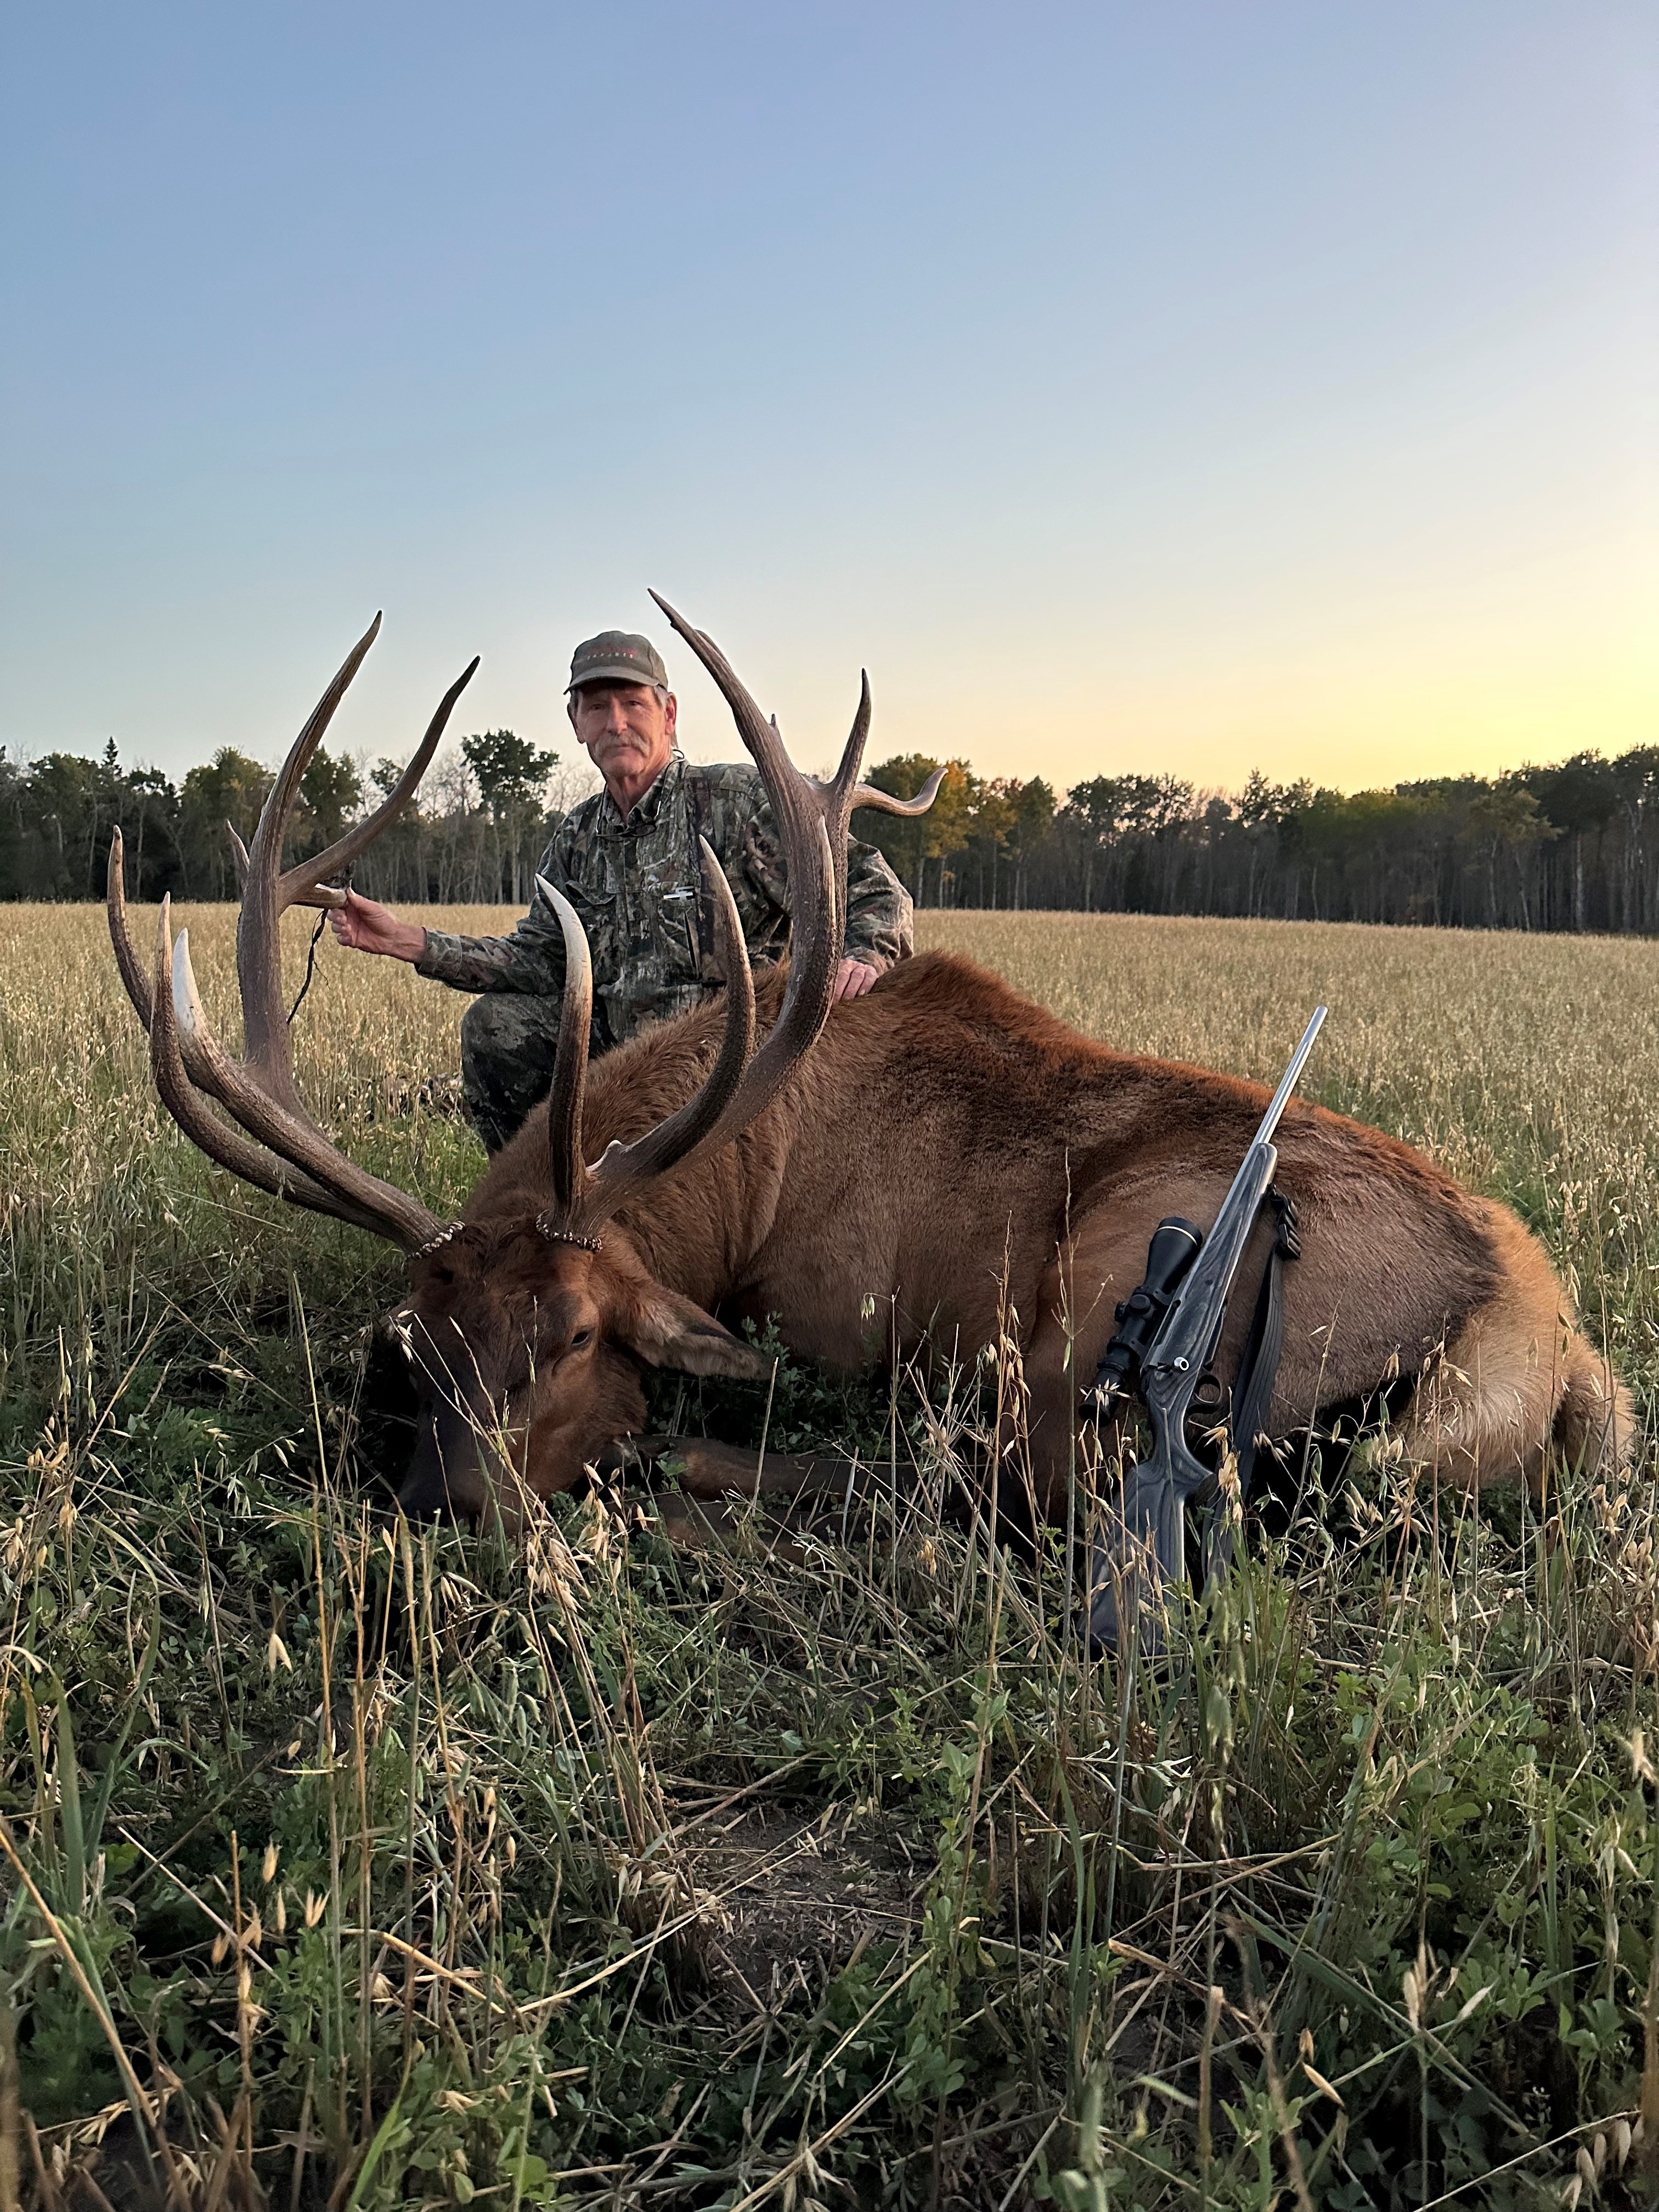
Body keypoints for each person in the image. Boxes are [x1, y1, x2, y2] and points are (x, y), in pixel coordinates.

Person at [329, 627, 915, 1152]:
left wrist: (865, 953)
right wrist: (411, 942)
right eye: (598, 707)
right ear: (576, 721)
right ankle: (542, 1205)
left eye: (633, 704)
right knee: (495, 1029)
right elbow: (538, 962)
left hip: (726, 1059)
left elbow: (871, 889)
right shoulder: (577, 837)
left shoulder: (741, 804)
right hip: (620, 1061)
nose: (616, 723)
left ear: (669, 713)